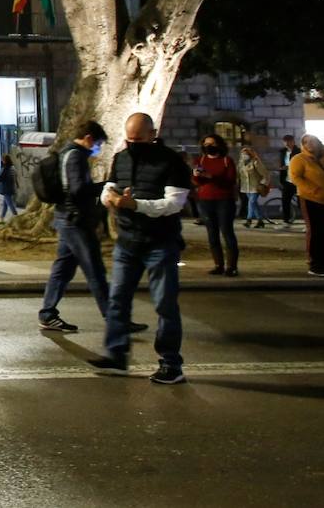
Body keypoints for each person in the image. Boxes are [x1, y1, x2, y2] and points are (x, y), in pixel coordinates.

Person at [88, 113, 193, 384]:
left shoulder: (171, 162)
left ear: (152, 134)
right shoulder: (121, 158)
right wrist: (109, 198)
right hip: (127, 241)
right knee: (118, 299)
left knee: (165, 304)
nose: (133, 143)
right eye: (129, 139)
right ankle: (116, 355)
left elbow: (174, 204)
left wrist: (136, 206)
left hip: (160, 242)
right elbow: (108, 188)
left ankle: (171, 363)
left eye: (139, 138)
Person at [38, 122, 146, 336]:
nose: (98, 149)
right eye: (97, 144)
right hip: (76, 221)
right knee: (95, 269)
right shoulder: (76, 156)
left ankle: (48, 314)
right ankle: (115, 319)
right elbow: (78, 189)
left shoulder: (68, 153)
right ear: (88, 138)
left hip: (66, 218)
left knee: (63, 269)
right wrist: (106, 186)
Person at [192, 134, 239, 276]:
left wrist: (210, 177)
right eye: (206, 144)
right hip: (206, 200)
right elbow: (197, 182)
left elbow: (230, 181)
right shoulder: (200, 160)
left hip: (224, 200)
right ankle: (218, 264)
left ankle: (232, 266)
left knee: (227, 232)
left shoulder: (226, 161)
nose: (208, 147)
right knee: (212, 234)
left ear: (219, 145)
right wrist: (196, 175)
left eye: (211, 144)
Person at [288, 134, 324, 277]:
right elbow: (295, 177)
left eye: (312, 141)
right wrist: (314, 190)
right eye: (306, 142)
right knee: (315, 231)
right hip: (310, 199)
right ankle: (315, 263)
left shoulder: (321, 159)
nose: (310, 144)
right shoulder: (299, 159)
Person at [238, 142, 271, 229]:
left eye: (245, 154)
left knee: (251, 202)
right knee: (254, 204)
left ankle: (249, 220)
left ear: (250, 154)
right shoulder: (241, 163)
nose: (244, 156)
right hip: (246, 187)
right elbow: (239, 175)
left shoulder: (256, 162)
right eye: (242, 154)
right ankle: (260, 221)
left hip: (256, 187)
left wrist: (263, 184)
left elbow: (265, 174)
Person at [0, 153, 19, 220]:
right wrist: (17, 185)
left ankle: (16, 216)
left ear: (5, 160)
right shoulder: (13, 168)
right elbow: (16, 178)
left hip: (6, 189)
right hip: (11, 188)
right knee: (5, 204)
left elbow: (0, 178)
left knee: (9, 203)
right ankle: (2, 217)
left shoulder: (5, 169)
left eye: (2, 160)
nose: (2, 161)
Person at [280, 135, 301, 224]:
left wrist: (288, 167)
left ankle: (307, 221)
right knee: (285, 201)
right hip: (287, 180)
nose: (287, 144)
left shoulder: (299, 151)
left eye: (289, 142)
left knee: (301, 203)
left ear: (293, 142)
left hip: (298, 181)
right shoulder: (283, 152)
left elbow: (300, 164)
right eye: (285, 142)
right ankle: (286, 220)